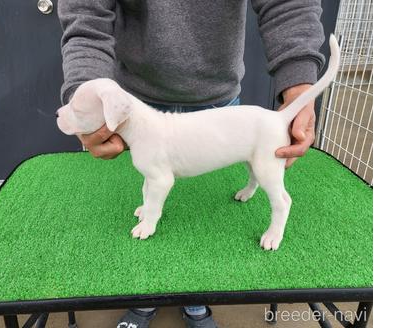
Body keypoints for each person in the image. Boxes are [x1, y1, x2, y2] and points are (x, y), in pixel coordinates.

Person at [58, 1, 325, 327]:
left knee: (262, 171)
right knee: (238, 161)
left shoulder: (141, 141)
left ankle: (268, 226)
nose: (64, 115)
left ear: (112, 113)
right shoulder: (136, 128)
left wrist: (299, 79)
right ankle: (147, 296)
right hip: (144, 90)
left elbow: (161, 180)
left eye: (77, 111)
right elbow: (86, 16)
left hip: (220, 98)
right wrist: (82, 89)